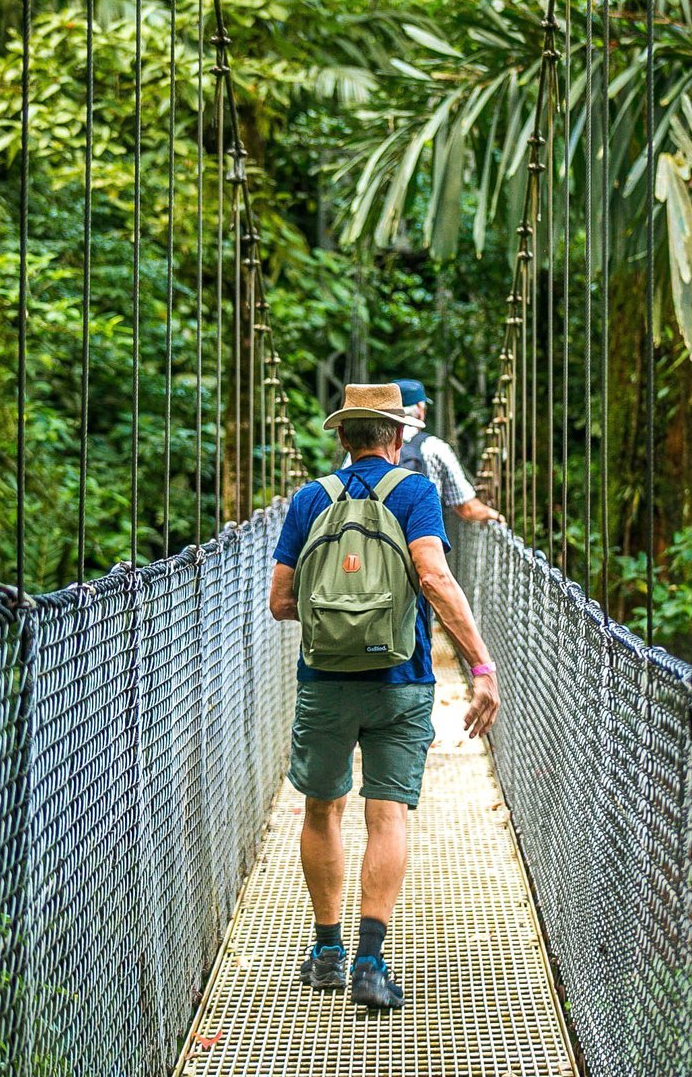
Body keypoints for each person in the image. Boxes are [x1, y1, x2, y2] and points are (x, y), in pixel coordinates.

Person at [268, 382, 500, 1011]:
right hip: (403, 681)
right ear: (400, 437)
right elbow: (434, 577)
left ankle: (326, 954)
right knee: (387, 815)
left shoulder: (309, 498)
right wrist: (479, 664)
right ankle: (371, 965)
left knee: (322, 808)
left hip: (324, 682)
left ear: (341, 438)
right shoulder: (417, 492)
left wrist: (338, 615)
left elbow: (280, 602)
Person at [377, 377, 502, 524]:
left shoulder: (365, 446)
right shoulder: (434, 447)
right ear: (420, 409)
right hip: (420, 536)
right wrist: (494, 515)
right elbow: (466, 508)